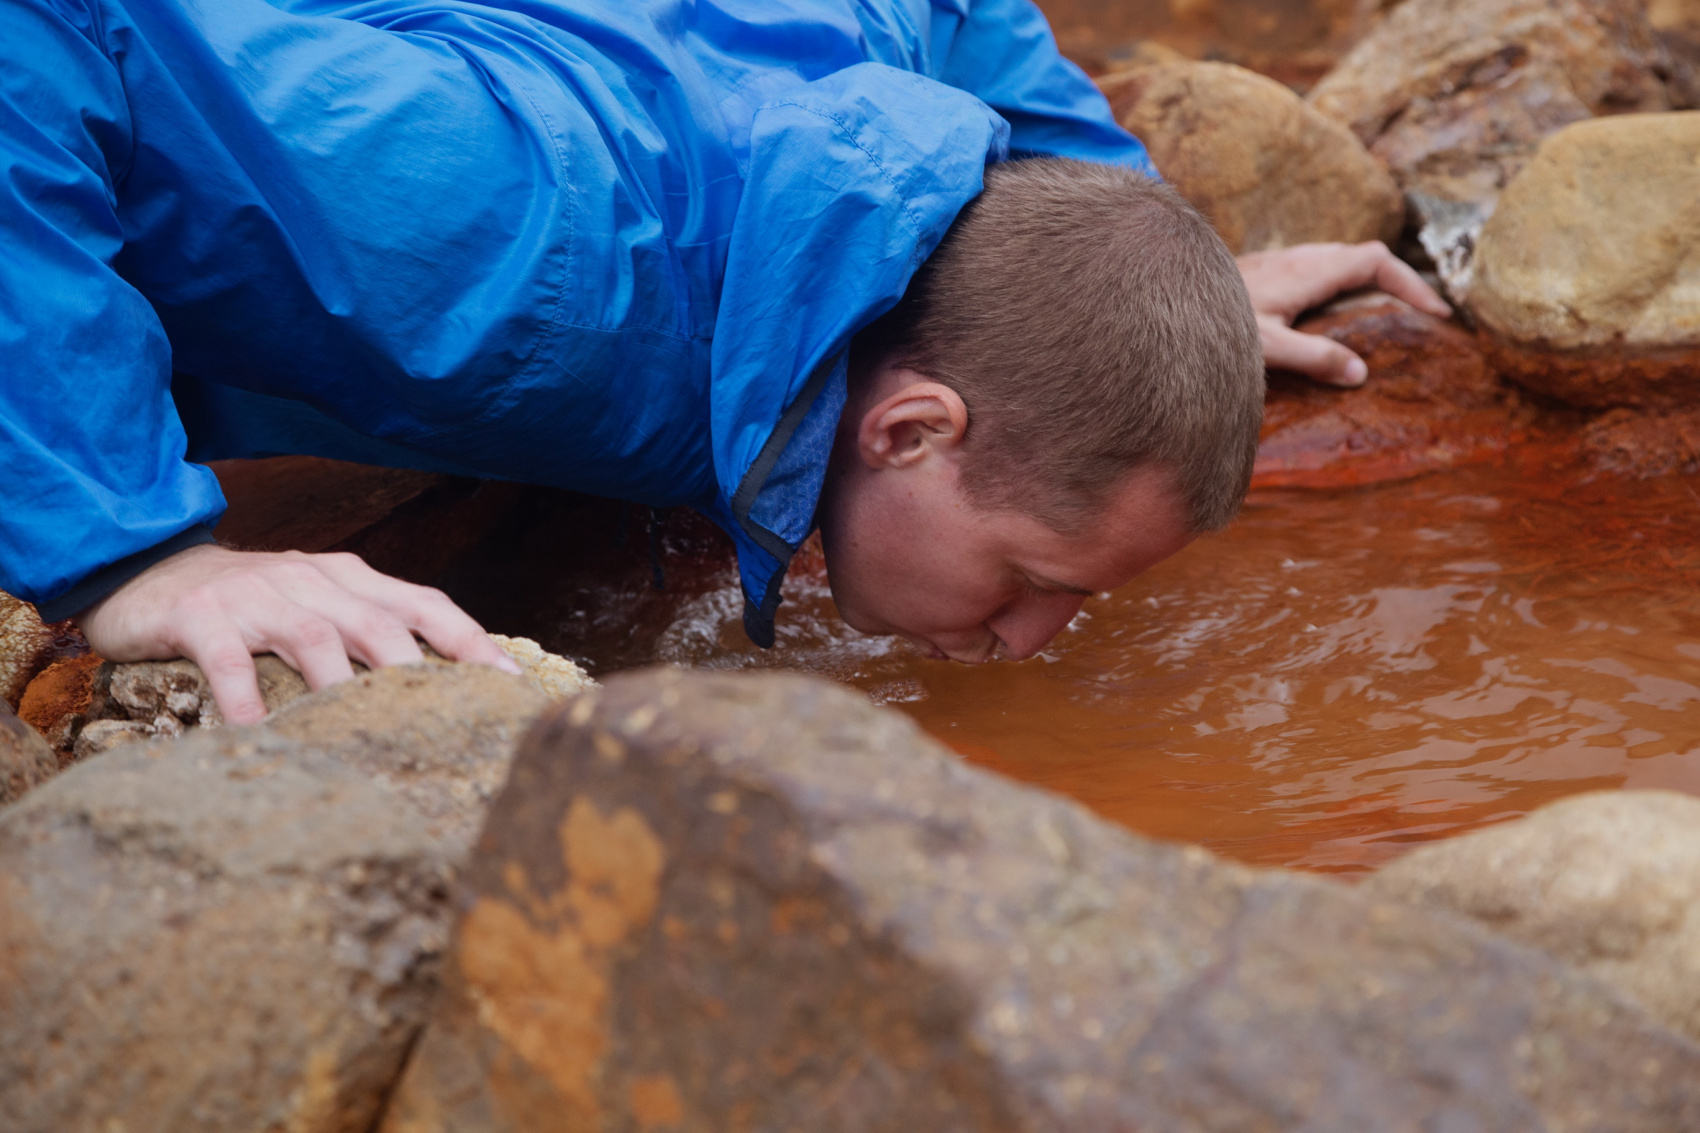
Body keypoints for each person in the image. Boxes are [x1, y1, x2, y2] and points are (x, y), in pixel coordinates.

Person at [0, 0, 1447, 723]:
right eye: (1031, 582)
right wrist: (135, 554)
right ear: (907, 430)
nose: (1034, 641)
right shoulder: (507, 259)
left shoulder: (870, 116)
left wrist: (1136, 264)